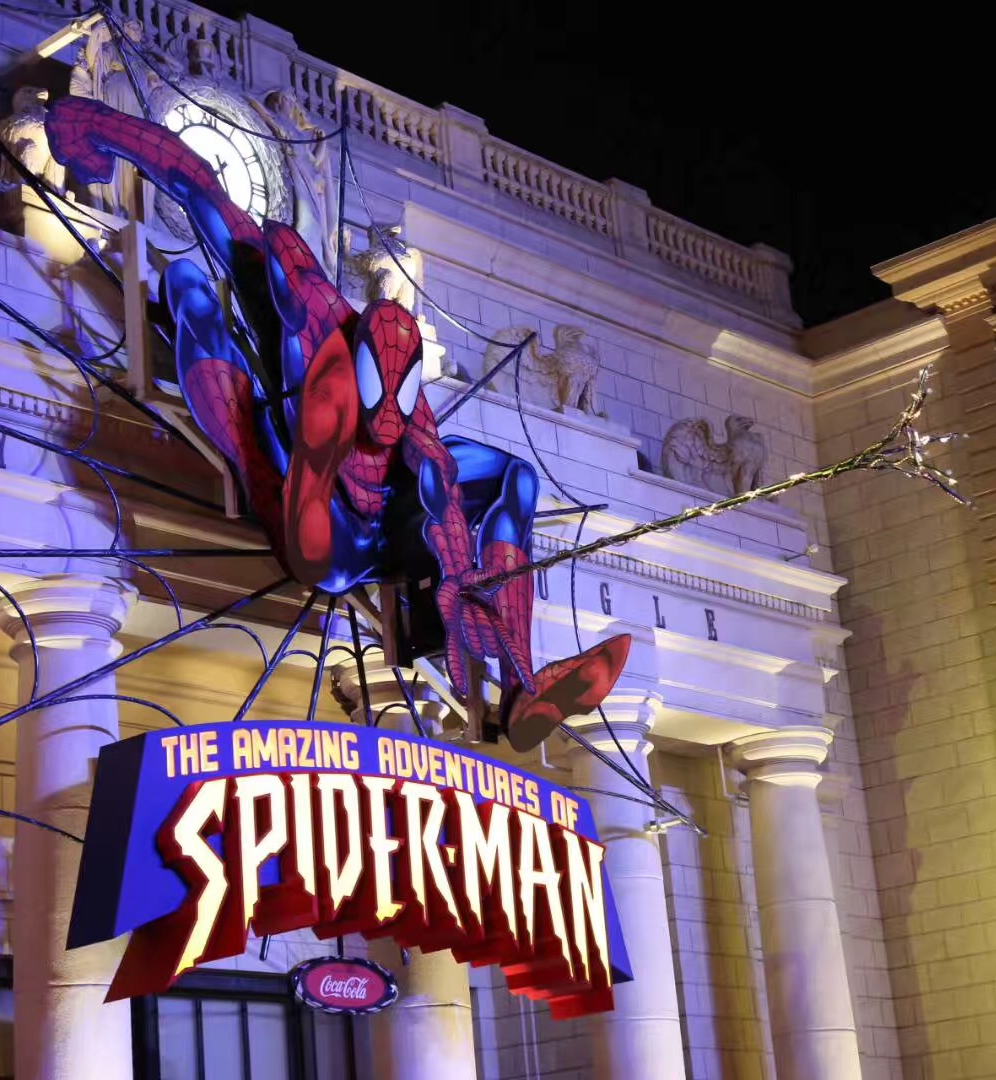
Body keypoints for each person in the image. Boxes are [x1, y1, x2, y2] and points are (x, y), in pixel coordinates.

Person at [46, 95, 628, 750]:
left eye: (401, 399)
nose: (388, 418)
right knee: (193, 293)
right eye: (380, 397)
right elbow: (202, 189)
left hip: (388, 529)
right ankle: (497, 654)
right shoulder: (309, 316)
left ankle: (522, 672)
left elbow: (440, 490)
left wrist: (462, 573)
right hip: (323, 525)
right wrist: (102, 129)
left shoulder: (411, 416)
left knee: (515, 477)